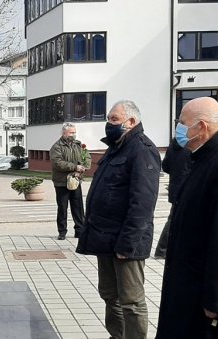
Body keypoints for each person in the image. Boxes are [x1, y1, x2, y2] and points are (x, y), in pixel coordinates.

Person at [156, 97, 218, 338]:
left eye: (182, 123)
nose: (178, 129)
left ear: (201, 127)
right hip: (189, 286)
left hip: (206, 302)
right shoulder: (203, 157)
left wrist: (214, 301)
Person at [76, 100, 160, 339]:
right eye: (109, 119)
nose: (108, 124)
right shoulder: (116, 147)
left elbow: (143, 204)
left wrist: (127, 244)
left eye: (114, 119)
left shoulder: (142, 149)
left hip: (126, 243)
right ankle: (117, 335)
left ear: (131, 122)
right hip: (105, 239)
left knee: (131, 301)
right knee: (110, 295)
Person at [49, 122, 90, 240]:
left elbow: (87, 157)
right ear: (64, 132)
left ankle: (79, 230)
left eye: (75, 132)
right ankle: (62, 232)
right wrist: (74, 167)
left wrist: (82, 169)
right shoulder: (57, 146)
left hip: (76, 180)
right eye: (71, 132)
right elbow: (58, 163)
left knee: (78, 207)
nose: (74, 134)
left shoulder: (79, 145)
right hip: (61, 182)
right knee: (62, 207)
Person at [153, 138, 191, 259]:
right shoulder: (192, 146)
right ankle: (162, 250)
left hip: (176, 187)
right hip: (187, 187)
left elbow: (166, 166)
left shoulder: (174, 145)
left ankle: (166, 249)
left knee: (176, 218)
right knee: (174, 220)